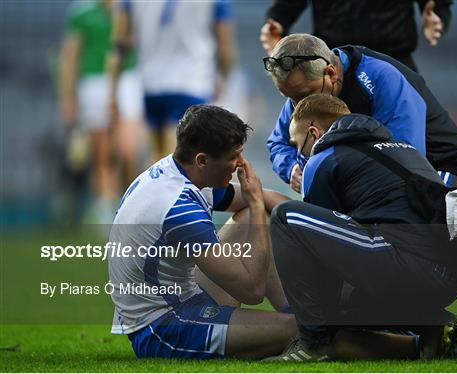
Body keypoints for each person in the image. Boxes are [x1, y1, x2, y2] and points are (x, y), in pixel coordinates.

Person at [267, 94, 457, 361]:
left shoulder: (325, 157)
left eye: (299, 145)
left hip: (409, 263)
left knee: (285, 218)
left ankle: (313, 345)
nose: (299, 155)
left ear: (314, 132)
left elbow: (320, 256)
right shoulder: (405, 148)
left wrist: (319, 317)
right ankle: (447, 329)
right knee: (343, 307)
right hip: (449, 278)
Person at [108, 105, 296, 359]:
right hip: (163, 327)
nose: (241, 164)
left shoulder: (178, 172)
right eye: (234, 156)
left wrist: (317, 225)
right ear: (203, 160)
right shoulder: (179, 209)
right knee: (301, 330)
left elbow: (269, 199)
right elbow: (252, 291)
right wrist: (254, 202)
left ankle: (298, 314)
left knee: (258, 214)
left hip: (183, 296)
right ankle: (304, 326)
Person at [264, 33, 457, 194]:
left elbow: (406, 157)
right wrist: (291, 167)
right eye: (288, 97)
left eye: (303, 95)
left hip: (442, 172)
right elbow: (278, 143)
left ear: (331, 73)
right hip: (384, 176)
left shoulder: (381, 77)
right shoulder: (304, 89)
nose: (296, 105)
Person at [109, 0, 236, 161]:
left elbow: (120, 44)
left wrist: (113, 90)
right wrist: (222, 80)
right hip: (192, 82)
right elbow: (226, 49)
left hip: (151, 83)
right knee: (183, 160)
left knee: (158, 159)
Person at [59, 0, 145, 223]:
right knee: (103, 153)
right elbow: (71, 56)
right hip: (93, 82)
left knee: (128, 149)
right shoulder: (83, 11)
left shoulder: (131, 7)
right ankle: (108, 211)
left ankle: (133, 204)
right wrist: (69, 97)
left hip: (127, 79)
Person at [260, 0, 453, 71]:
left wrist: (437, 14)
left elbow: (438, 4)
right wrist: (278, 21)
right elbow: (287, 5)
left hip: (394, 60)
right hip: (333, 63)